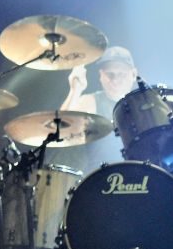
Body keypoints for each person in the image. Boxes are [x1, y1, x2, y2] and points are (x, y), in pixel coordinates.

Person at [46, 46, 139, 176]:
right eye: (110, 74)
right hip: (96, 178)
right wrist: (75, 90)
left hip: (137, 175)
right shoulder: (91, 101)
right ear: (101, 75)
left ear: (133, 74)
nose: (115, 79)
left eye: (121, 74)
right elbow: (59, 130)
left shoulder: (143, 105)